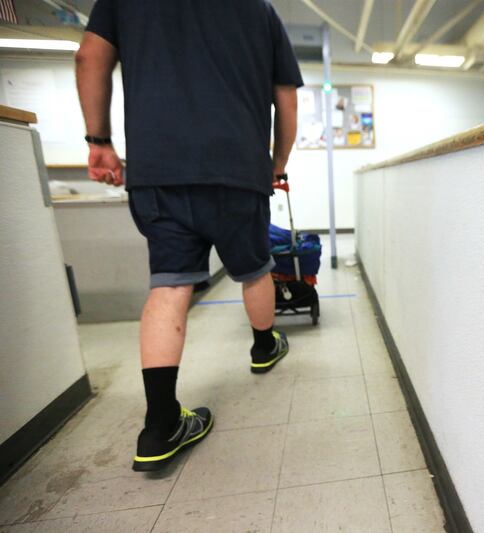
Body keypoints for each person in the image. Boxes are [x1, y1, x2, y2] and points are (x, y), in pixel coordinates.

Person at [75, 0, 303, 472]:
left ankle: (159, 426)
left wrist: (99, 141)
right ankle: (264, 347)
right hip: (238, 168)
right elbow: (286, 99)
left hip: (158, 168)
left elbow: (89, 56)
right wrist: (276, 165)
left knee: (170, 285)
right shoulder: (260, 11)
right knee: (254, 269)